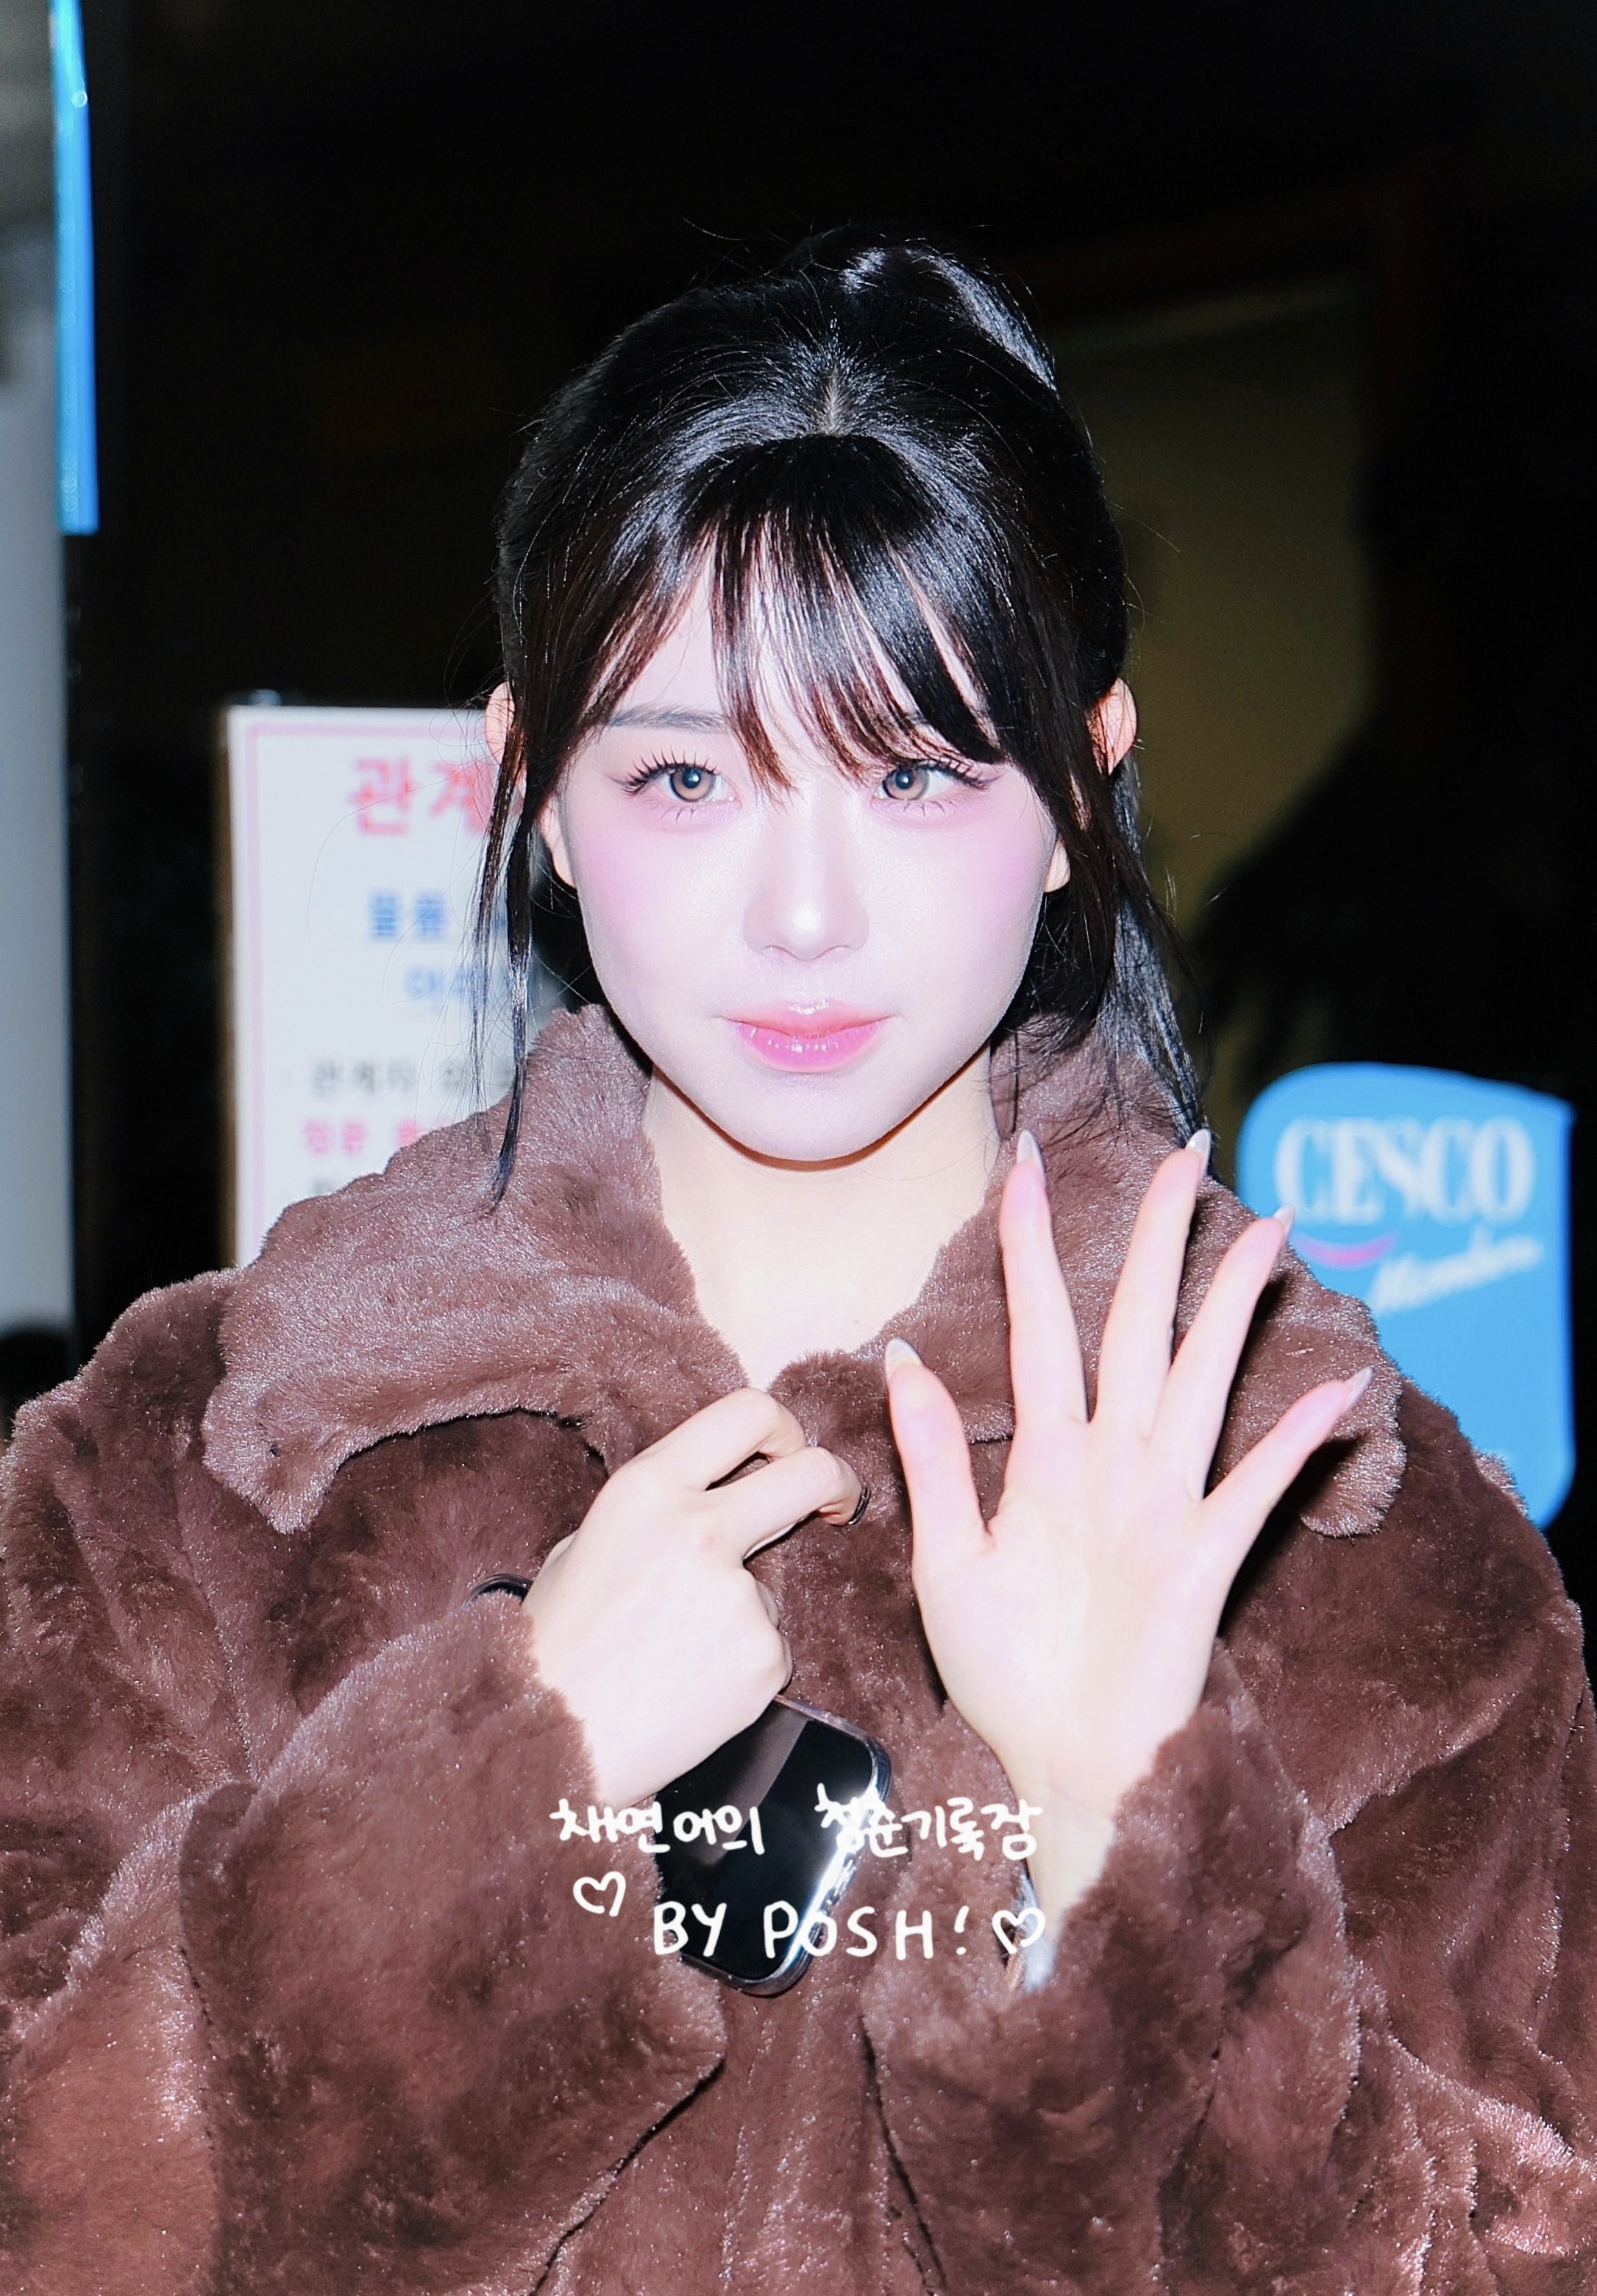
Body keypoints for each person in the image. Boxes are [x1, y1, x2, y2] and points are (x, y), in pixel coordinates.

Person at [1, 233, 1593, 2295]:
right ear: (534, 789)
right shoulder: (204, 1472)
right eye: (685, 776)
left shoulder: (1346, 1525)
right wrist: (497, 1792)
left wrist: (1116, 1833)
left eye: (914, 773)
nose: (806, 919)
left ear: (1078, 781)